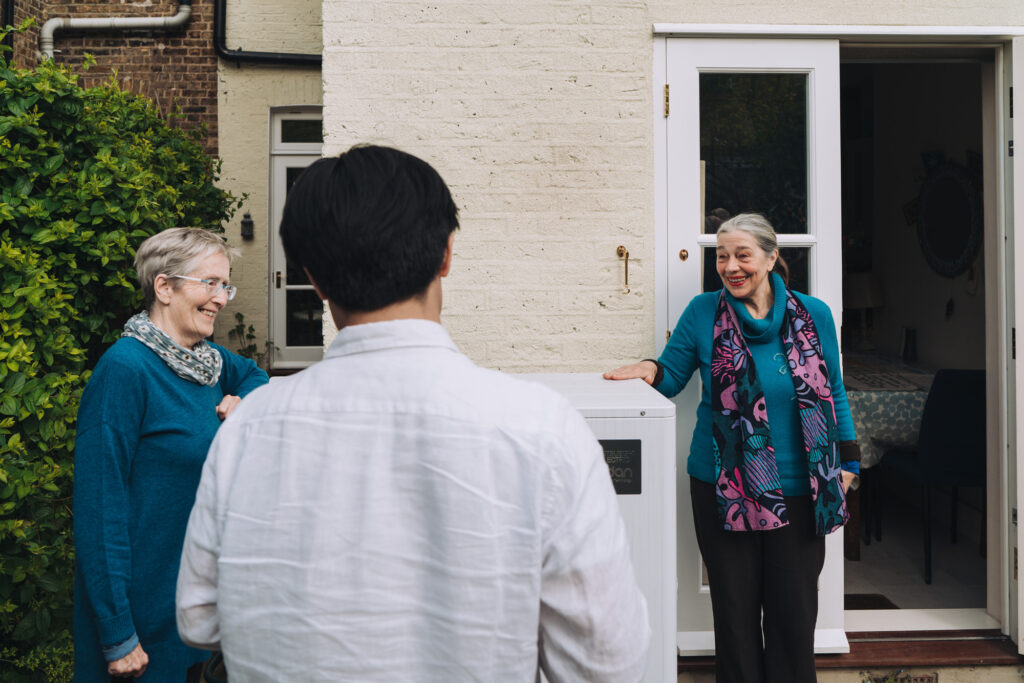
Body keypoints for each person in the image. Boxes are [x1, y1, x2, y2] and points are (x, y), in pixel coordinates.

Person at [175, 144, 651, 681]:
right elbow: (608, 660)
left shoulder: (248, 428)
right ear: (447, 254)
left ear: (314, 277)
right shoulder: (541, 426)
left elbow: (198, 619)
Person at [605, 213, 860, 683]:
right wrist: (646, 370)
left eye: (743, 255)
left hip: (804, 487)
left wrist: (849, 461)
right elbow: (671, 373)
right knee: (736, 616)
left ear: (770, 257)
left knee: (793, 615)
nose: (731, 266)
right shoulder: (703, 312)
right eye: (722, 257)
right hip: (724, 488)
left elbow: (834, 391)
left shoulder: (814, 315)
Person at [74, 228, 269, 681]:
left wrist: (246, 401)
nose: (221, 298)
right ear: (164, 287)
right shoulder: (125, 370)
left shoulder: (209, 363)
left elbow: (257, 377)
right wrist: (117, 632)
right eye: (210, 283)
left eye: (226, 285)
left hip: (192, 616)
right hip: (140, 626)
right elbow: (99, 508)